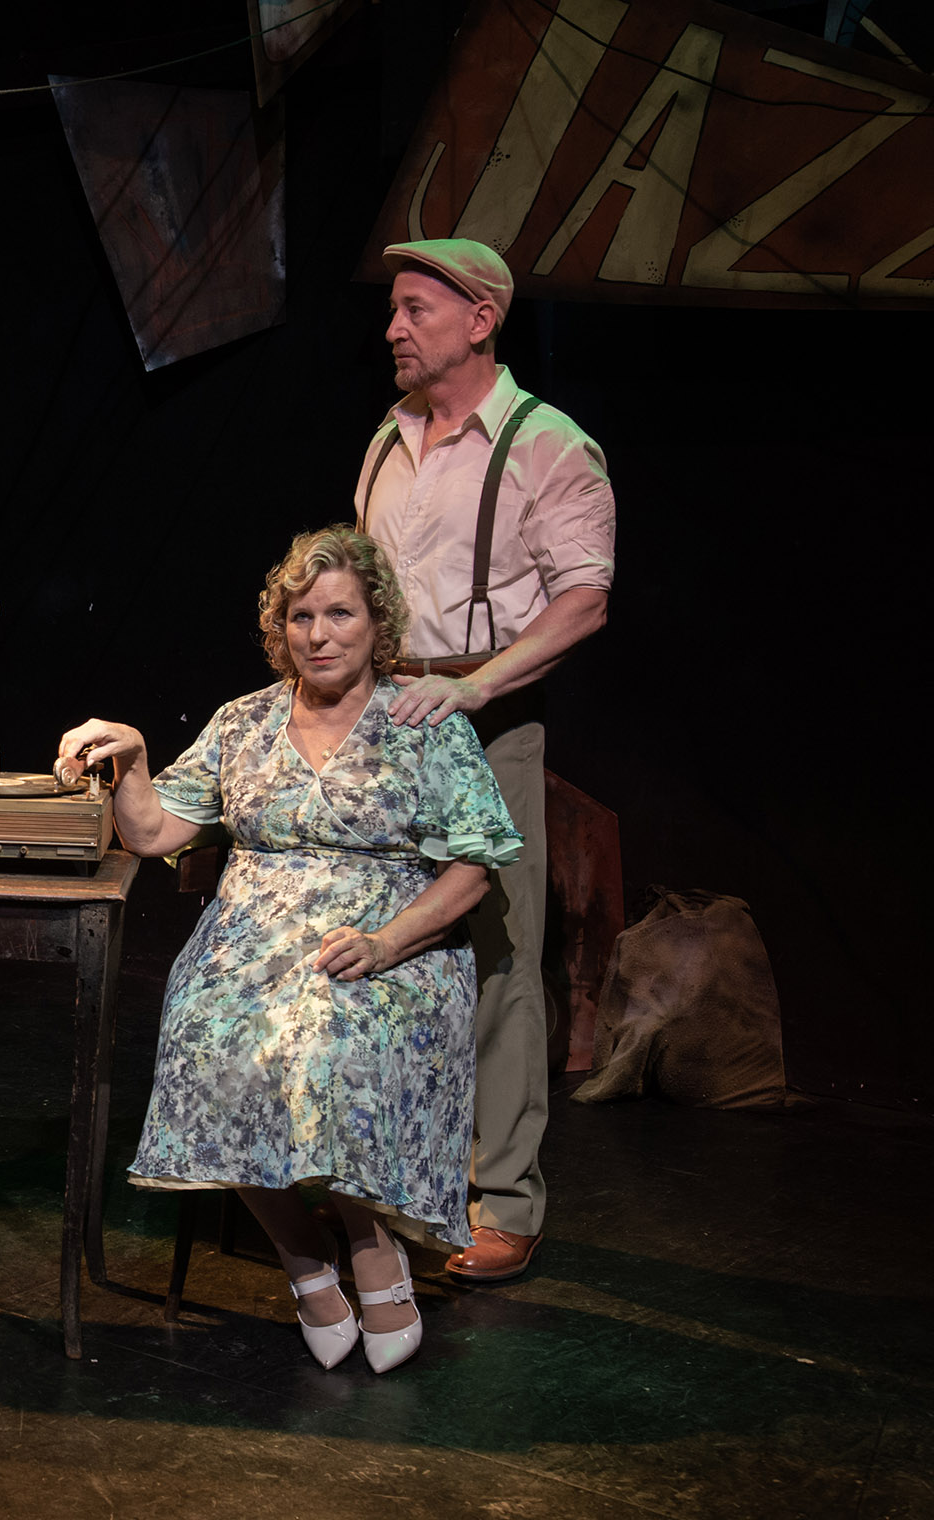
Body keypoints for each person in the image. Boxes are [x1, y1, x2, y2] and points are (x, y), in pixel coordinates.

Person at [58, 527, 520, 1373]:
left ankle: (371, 1247)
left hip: (390, 946)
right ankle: (304, 1256)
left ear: (377, 624)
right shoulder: (244, 721)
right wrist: (132, 758)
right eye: (301, 616)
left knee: (335, 1043)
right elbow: (154, 833)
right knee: (211, 1038)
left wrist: (385, 943)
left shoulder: (424, 721)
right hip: (251, 945)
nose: (319, 634)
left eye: (340, 614)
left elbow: (472, 871)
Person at [359, 238, 615, 1283]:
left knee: (501, 952)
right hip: (384, 716)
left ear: (480, 320)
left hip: (486, 714)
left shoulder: (548, 443)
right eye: (392, 310)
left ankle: (505, 1197)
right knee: (387, 942)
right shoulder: (389, 437)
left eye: (415, 309)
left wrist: (475, 685)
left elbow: (584, 600)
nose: (393, 328)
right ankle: (394, 1178)